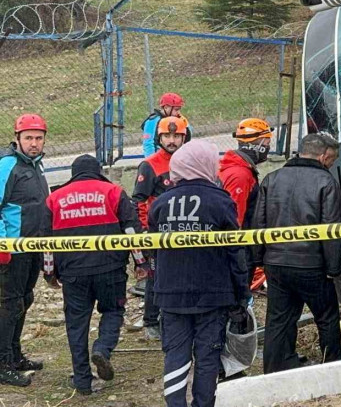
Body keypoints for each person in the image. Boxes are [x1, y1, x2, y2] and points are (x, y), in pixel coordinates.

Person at [149, 140, 249, 407]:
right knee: (208, 356)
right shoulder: (221, 201)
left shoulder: (159, 204)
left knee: (175, 355)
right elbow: (234, 253)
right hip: (213, 294)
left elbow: (153, 252)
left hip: (171, 294)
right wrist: (241, 295)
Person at [45, 155, 143, 395]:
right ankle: (102, 348)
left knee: (76, 324)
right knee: (113, 311)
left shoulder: (54, 199)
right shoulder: (113, 192)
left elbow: (44, 240)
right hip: (110, 269)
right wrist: (140, 262)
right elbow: (131, 230)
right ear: (98, 171)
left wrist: (49, 273)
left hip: (73, 273)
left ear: (73, 173)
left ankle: (82, 381)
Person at [254, 133, 341, 373]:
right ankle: (331, 368)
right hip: (312, 265)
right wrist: (333, 268)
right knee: (327, 318)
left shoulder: (271, 179)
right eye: (332, 160)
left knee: (278, 320)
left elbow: (258, 223)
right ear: (324, 156)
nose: (331, 165)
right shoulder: (326, 182)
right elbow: (331, 230)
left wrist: (257, 259)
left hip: (276, 264)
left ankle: (274, 370)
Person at [0, 114, 50, 387]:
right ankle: (2, 362)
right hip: (12, 249)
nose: (34, 143)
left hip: (34, 247)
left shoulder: (36, 165)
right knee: (8, 305)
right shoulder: (7, 165)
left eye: (38, 138)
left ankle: (15, 355)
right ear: (17, 138)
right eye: (29, 138)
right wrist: (2, 245)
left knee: (24, 300)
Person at [132, 116, 190, 341]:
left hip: (185, 229)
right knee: (155, 276)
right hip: (157, 232)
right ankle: (150, 320)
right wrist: (145, 232)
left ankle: (176, 316)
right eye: (168, 136)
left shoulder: (189, 161)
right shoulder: (150, 165)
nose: (172, 140)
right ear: (159, 137)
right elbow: (138, 201)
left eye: (177, 136)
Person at [219, 118, 274, 286]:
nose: (268, 147)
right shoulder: (240, 175)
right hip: (239, 248)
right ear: (257, 144)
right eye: (267, 142)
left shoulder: (239, 169)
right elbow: (234, 219)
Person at [141, 93, 192, 157]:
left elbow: (188, 137)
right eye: (176, 109)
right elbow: (148, 144)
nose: (178, 112)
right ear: (166, 107)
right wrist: (151, 163)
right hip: (160, 158)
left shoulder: (180, 118)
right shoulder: (152, 121)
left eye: (179, 109)